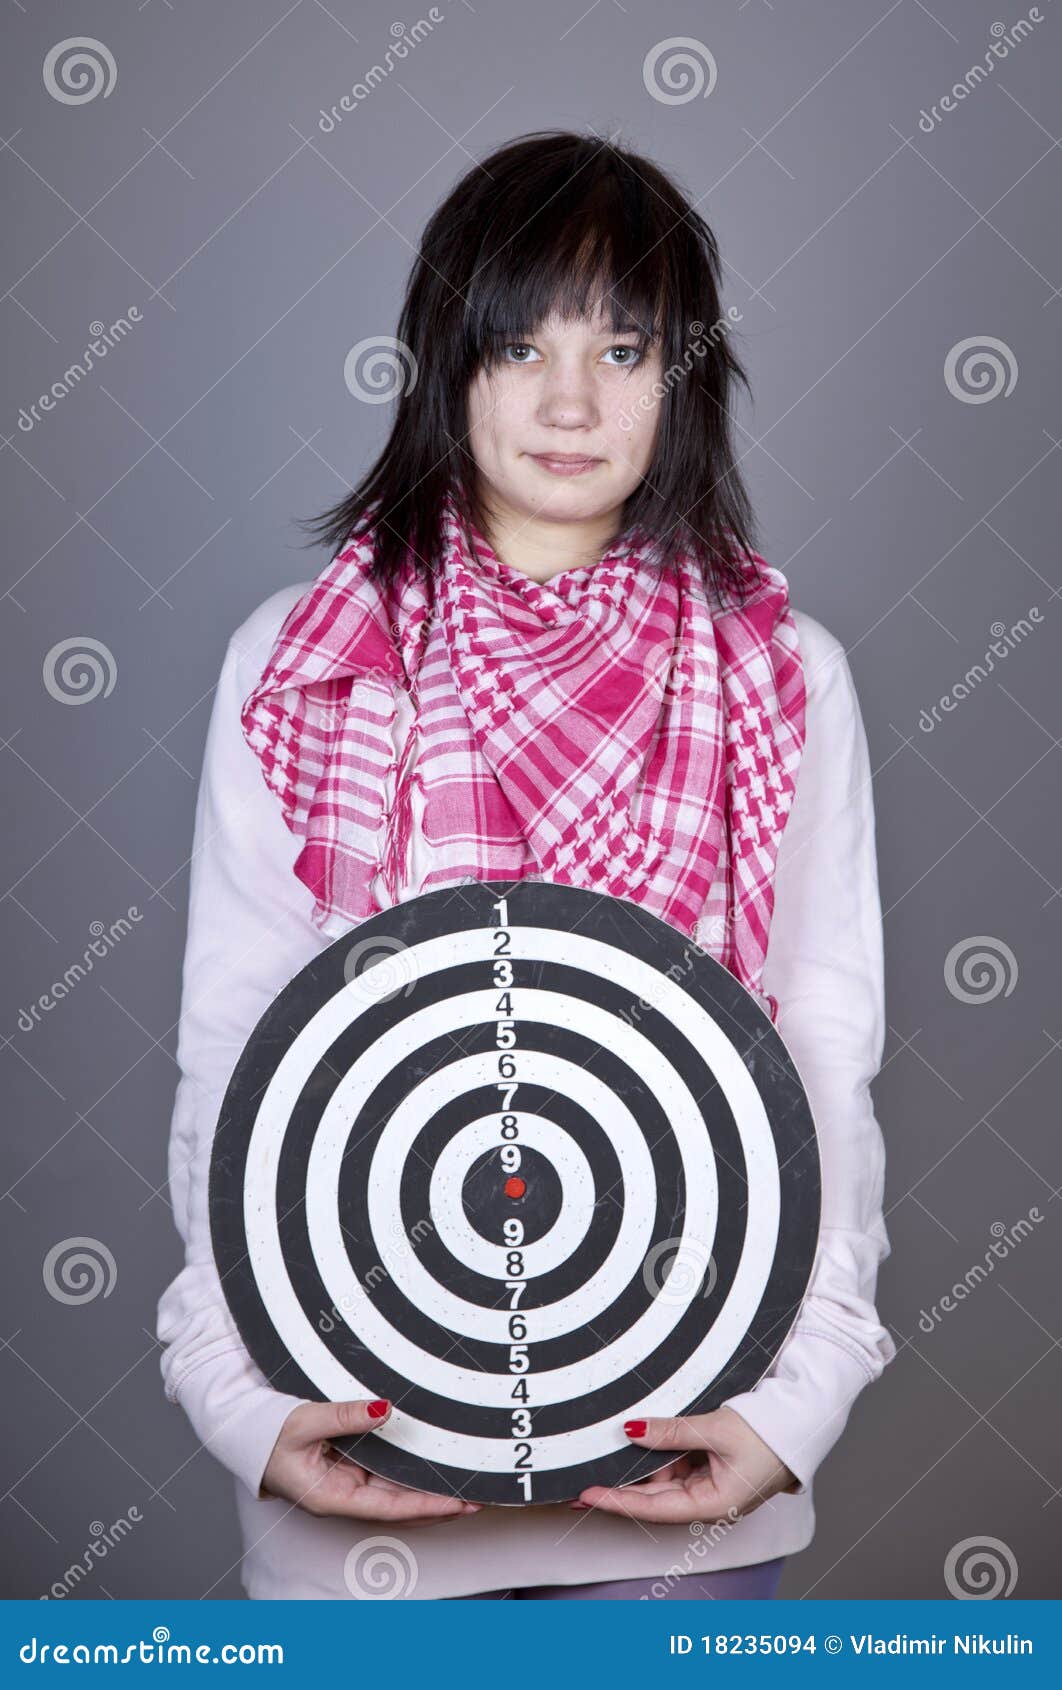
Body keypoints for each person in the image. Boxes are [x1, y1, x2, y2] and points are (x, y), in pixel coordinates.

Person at [156, 130, 896, 1601]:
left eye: (625, 349)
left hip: (686, 1459)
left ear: (685, 379)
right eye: (518, 347)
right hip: (362, 1458)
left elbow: (815, 1050)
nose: (570, 401)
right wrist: (238, 1396)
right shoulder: (307, 658)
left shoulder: (780, 672)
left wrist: (794, 1398)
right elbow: (237, 1045)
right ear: (447, 365)